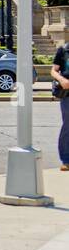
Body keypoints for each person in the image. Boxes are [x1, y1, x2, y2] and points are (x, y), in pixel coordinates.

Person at [53, 42, 69, 172]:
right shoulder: (63, 50)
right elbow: (53, 70)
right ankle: (66, 160)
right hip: (67, 94)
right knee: (68, 126)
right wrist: (62, 80)